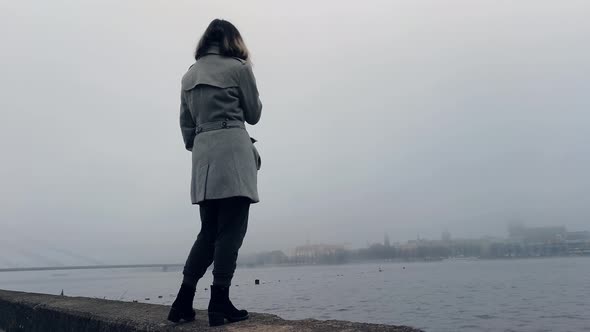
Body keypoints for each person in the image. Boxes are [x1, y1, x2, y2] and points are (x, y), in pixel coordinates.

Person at [168, 18, 262, 327]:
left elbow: (186, 127)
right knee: (231, 231)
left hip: (203, 157)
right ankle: (219, 302)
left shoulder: (189, 76)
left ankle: (182, 300)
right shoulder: (239, 68)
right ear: (232, 41)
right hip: (233, 153)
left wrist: (202, 145)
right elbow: (254, 113)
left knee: (208, 232)